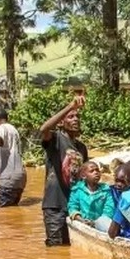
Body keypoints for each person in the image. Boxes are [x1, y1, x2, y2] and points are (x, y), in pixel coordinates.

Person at [40, 94, 88, 246]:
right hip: (54, 204)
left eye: (77, 116)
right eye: (71, 117)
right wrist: (70, 106)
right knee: (56, 248)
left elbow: (84, 178)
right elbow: (44, 128)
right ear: (61, 122)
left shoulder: (81, 148)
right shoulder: (55, 140)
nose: (76, 119)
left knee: (70, 248)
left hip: (73, 205)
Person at [0, 106, 26, 208]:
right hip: (20, 177)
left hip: (8, 178)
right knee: (13, 210)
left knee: (2, 214)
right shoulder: (13, 130)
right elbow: (10, 150)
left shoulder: (2, 128)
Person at [69, 161, 117, 232]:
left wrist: (95, 223)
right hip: (82, 222)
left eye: (97, 170)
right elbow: (72, 207)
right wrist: (81, 220)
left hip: (100, 224)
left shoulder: (106, 191)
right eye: (92, 171)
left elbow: (109, 210)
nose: (96, 173)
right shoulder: (77, 190)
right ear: (83, 176)